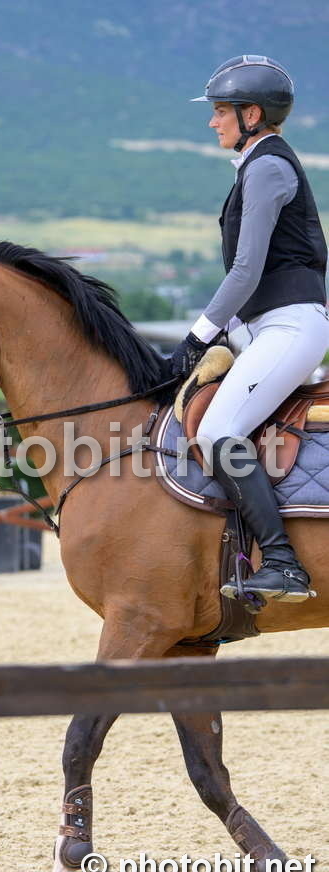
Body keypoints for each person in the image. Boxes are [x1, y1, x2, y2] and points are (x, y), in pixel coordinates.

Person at [171, 55, 329, 606]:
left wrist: (198, 335)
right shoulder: (255, 165)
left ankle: (284, 563)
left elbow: (246, 271)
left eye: (220, 111)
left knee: (218, 433)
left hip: (290, 325)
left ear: (252, 114)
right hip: (263, 326)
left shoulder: (267, 168)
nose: (212, 121)